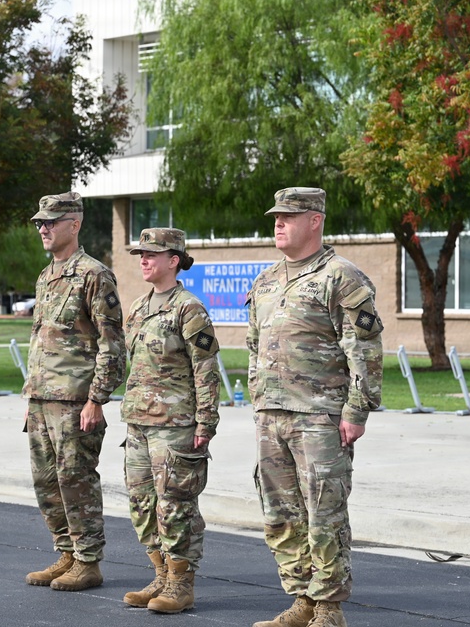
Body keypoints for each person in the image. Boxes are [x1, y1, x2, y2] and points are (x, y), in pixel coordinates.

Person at [246, 188, 384, 627]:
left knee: (324, 513)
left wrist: (356, 410)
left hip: (320, 416)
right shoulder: (266, 280)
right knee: (281, 515)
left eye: (290, 215)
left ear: (316, 220)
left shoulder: (341, 276)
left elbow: (364, 348)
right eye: (276, 216)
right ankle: (301, 599)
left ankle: (328, 608)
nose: (279, 223)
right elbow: (254, 346)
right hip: (272, 416)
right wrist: (258, 402)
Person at [22, 191, 125, 592]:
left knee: (76, 479)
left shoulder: (95, 275)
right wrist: (32, 395)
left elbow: (112, 343)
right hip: (41, 398)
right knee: (46, 481)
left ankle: (88, 561)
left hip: (75, 402)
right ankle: (66, 551)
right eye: (39, 223)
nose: (43, 228)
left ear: (75, 223)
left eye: (50, 221)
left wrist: (97, 398)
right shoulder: (47, 275)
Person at [120, 227, 220, 614]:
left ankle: (181, 582)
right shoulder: (139, 307)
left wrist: (205, 423)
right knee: (142, 504)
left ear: (173, 260)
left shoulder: (188, 308)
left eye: (151, 254)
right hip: (138, 423)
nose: (143, 260)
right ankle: (160, 574)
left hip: (176, 425)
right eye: (140, 255)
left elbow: (206, 369)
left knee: (175, 505)